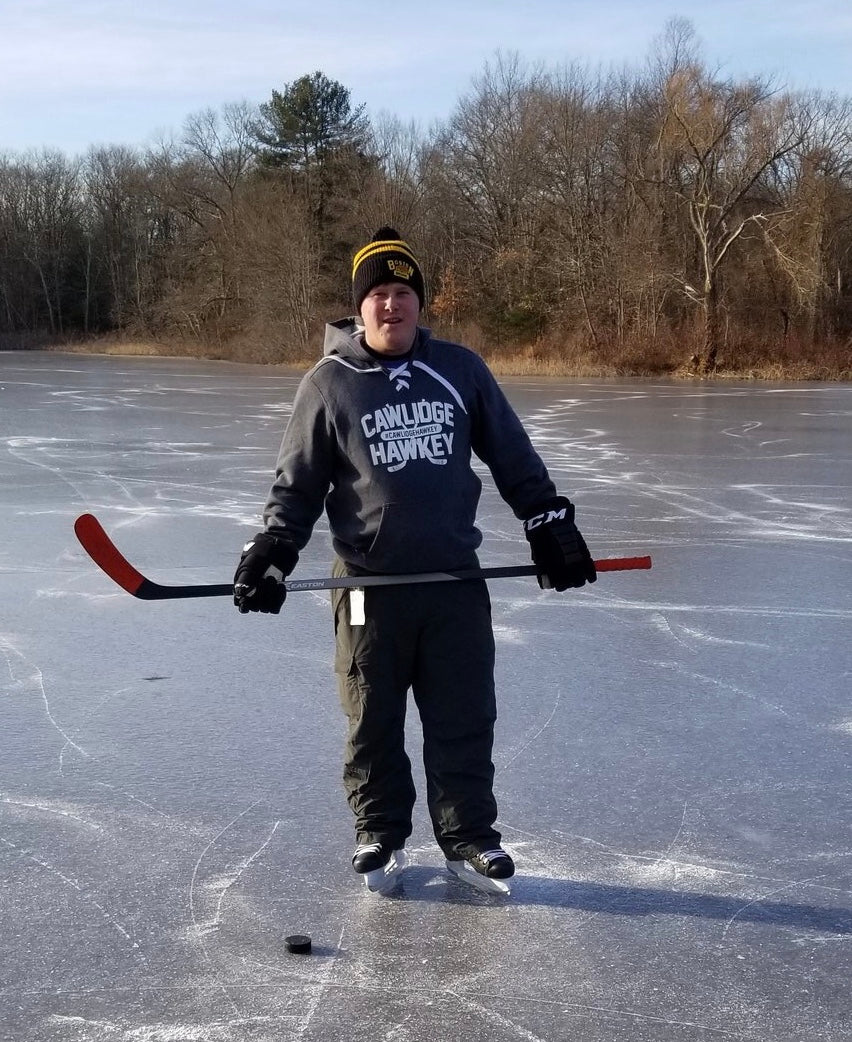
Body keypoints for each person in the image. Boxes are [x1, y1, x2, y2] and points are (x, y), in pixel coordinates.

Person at [233, 227, 596, 887]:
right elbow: (297, 486)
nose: (391, 306)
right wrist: (276, 548)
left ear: (419, 303)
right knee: (372, 717)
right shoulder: (328, 384)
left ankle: (468, 841)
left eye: (402, 293)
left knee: (465, 716)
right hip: (370, 586)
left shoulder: (460, 370)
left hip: (454, 581)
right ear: (359, 307)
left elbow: (511, 453)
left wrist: (548, 521)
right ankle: (379, 835)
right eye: (378, 295)